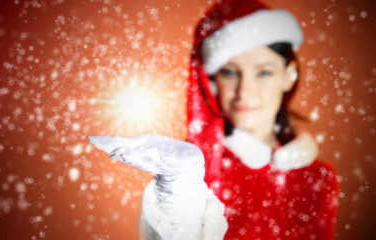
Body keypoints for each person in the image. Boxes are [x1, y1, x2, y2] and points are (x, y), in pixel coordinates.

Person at [89, 0, 339, 239]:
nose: (245, 91)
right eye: (230, 72)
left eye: (264, 72)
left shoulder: (318, 180)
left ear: (289, 75)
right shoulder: (191, 175)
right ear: (212, 82)